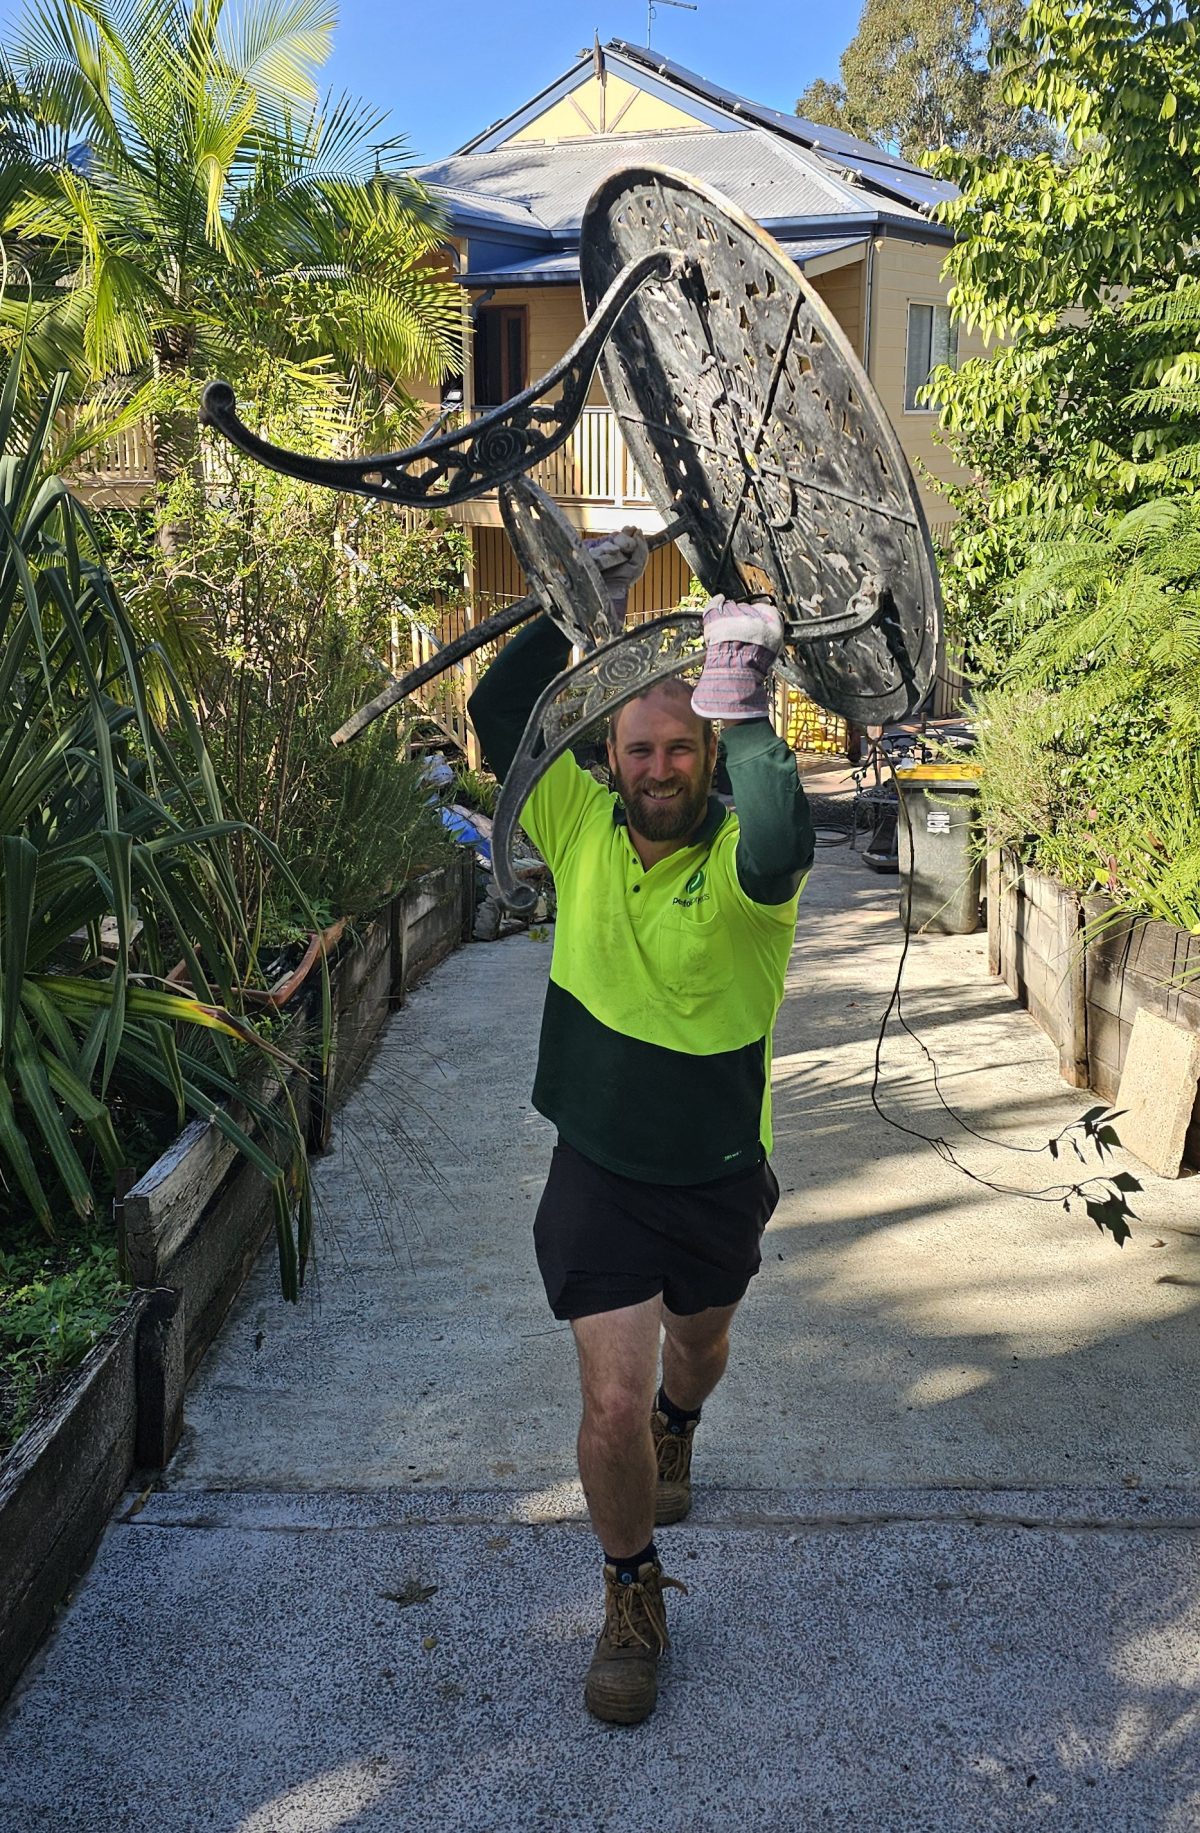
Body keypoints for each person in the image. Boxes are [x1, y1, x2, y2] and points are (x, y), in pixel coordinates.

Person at [467, 539, 814, 1725]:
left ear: (706, 750)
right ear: (608, 758)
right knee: (605, 1400)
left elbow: (782, 836)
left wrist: (747, 695)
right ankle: (630, 1592)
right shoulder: (578, 824)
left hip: (718, 1172)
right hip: (600, 1166)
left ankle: (683, 1424)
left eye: (680, 746)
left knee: (696, 1353)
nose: (658, 766)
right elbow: (498, 711)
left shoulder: (745, 869)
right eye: (638, 748)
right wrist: (575, 609)